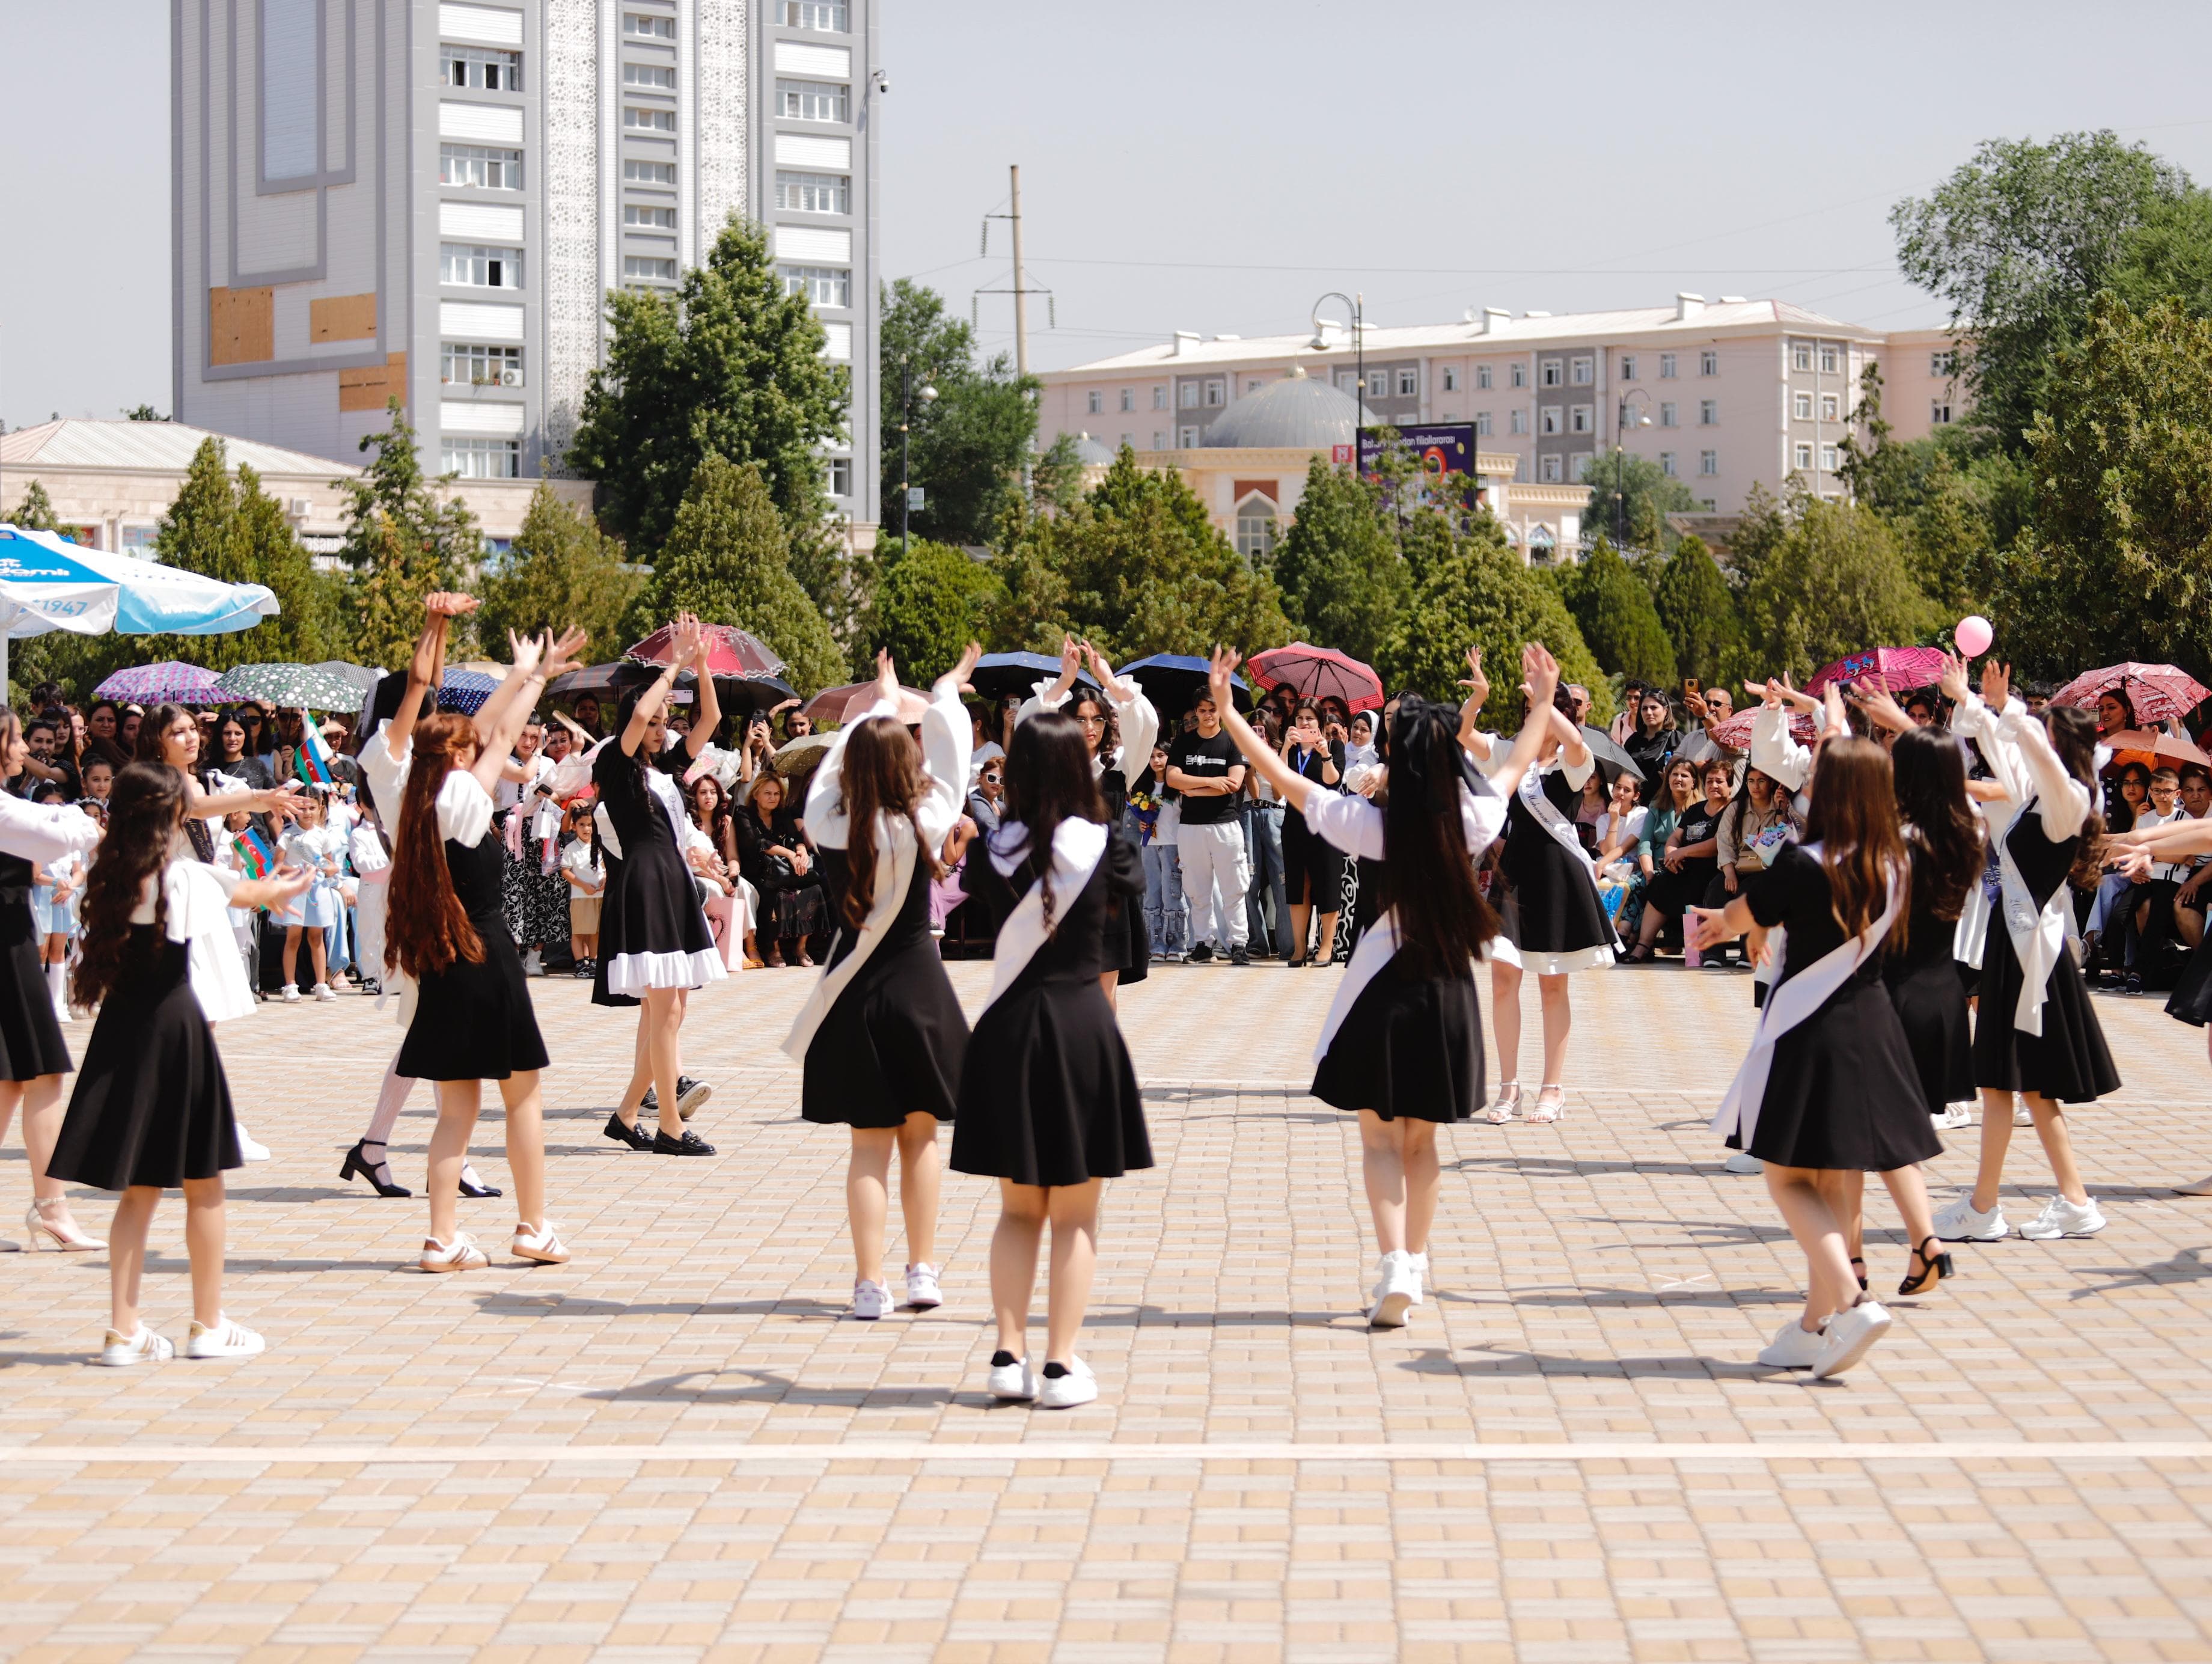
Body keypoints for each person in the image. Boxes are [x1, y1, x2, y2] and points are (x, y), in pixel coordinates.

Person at [1208, 642, 1559, 1324]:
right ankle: (1415, 1265)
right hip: (1448, 991)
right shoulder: (1473, 821)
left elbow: (1279, 775)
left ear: (1395, 757)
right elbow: (1517, 761)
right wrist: (1541, 700)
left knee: (1378, 1141)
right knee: (1422, 1143)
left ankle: (1395, 1261)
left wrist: (1228, 710)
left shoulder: (1368, 824)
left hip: (1380, 992)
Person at [1690, 737, 1944, 1378]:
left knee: (1790, 1179)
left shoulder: (1805, 863)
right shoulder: (1897, 863)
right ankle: (1813, 1326)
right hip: (1875, 1030)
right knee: (1830, 1182)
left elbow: (1742, 913)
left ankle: (1854, 1303)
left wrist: (1720, 924)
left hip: (1811, 1030)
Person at [47, 762, 313, 1363]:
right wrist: (284, 885)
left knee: (139, 1189)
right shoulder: (183, 876)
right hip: (177, 1027)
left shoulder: (107, 873)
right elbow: (248, 893)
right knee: (204, 1181)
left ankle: (123, 1332)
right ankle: (208, 1325)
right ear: (170, 816)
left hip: (123, 1031)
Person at [950, 699, 1153, 1410]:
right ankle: (1060, 1365)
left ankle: (1007, 1357)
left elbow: (977, 877)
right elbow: (1130, 885)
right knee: (1073, 1215)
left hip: (1006, 1031)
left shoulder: (989, 849)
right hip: (1080, 1030)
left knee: (1016, 1211)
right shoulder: (1107, 844)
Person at [784, 646, 980, 1320]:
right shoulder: (928, 816)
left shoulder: (828, 824)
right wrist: (942, 691)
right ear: (907, 762)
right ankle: (922, 1271)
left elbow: (827, 777)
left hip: (854, 997)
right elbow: (952, 755)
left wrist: (877, 706)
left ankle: (869, 1284)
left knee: (867, 1146)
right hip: (919, 988)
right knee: (920, 1138)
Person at [388, 628, 580, 1272]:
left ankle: (441, 1237)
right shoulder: (464, 795)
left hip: (442, 959)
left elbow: (486, 733)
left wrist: (526, 676)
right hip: (485, 952)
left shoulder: (411, 800)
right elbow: (498, 735)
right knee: (522, 1096)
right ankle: (533, 1226)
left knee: (455, 1112)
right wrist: (534, 676)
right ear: (457, 753)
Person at [1935, 655, 2121, 1244]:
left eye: (2045, 732)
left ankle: (1987, 1206)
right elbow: (2007, 751)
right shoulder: (2038, 795)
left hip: (2030, 955)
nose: (2033, 737)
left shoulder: (2069, 799)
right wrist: (1971, 702)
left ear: (2061, 746)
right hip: (2016, 947)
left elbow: (2029, 751)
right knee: (2024, 1087)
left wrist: (2007, 708)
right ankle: (2065, 1202)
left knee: (2009, 1082)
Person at [595, 616, 727, 1154]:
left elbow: (711, 718)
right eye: (652, 723)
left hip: (672, 879)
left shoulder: (666, 767)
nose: (658, 728)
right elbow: (640, 713)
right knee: (665, 1009)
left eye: (662, 722)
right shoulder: (615, 762)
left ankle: (628, 1115)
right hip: (645, 882)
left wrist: (701, 664)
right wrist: (672, 664)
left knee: (671, 1010)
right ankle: (670, 1127)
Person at [1469, 658, 1615, 1122]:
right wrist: (1478, 698)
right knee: (1502, 979)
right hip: (1514, 876)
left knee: (1552, 984)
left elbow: (1575, 741)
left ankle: (1552, 1088)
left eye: (1547, 708)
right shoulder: (1512, 754)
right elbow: (1463, 734)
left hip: (1556, 878)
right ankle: (1509, 1087)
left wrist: (1545, 697)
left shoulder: (1575, 762)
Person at [1021, 638, 1161, 1000]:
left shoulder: (1122, 764)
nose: (1090, 727)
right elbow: (1026, 730)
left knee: (1105, 992)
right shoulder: (1050, 766)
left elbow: (1147, 723)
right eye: (1080, 719)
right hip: (1062, 885)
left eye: (1097, 719)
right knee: (1064, 989)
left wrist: (1110, 683)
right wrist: (1063, 683)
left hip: (1108, 887)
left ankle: (1103, 1041)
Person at [1170, 685, 1250, 965]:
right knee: (1197, 889)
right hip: (1191, 827)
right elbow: (1173, 779)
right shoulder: (1183, 743)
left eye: (1212, 710)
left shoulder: (1232, 742)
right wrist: (1211, 782)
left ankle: (1239, 943)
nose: (1207, 715)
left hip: (1225, 825)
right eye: (1202, 710)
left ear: (1220, 711)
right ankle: (1204, 943)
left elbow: (1234, 783)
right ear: (1196, 712)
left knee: (1233, 888)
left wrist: (1193, 789)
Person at [1621, 759, 1731, 962]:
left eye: (1719, 781)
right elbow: (1675, 837)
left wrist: (1682, 853)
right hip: (1683, 867)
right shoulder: (1696, 810)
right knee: (1659, 883)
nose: (1714, 785)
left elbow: (1717, 844)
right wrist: (1672, 854)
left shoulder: (1731, 810)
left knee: (1687, 886)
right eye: (1710, 781)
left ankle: (1684, 948)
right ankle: (1643, 945)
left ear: (1730, 786)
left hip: (1714, 868)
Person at [1276, 702, 1348, 967]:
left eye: (1310, 718)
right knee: (1298, 887)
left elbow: (1333, 781)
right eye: (1300, 718)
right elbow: (1278, 781)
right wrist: (1285, 747)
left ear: (1320, 722)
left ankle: (1326, 947)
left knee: (1328, 884)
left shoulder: (1334, 745)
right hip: (1295, 822)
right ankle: (1299, 948)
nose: (1304, 723)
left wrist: (1325, 754)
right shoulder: (1291, 748)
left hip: (1325, 822)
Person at [736, 771, 826, 967]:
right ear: (756, 794)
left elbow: (796, 837)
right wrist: (790, 854)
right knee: (775, 895)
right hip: (759, 873)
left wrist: (801, 851)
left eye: (777, 794)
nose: (773, 798)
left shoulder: (782, 814)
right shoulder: (743, 813)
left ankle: (801, 948)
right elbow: (756, 842)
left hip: (785, 872)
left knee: (814, 889)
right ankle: (773, 949)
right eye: (768, 793)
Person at [272, 787, 345, 1002]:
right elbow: (278, 865)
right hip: (296, 890)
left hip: (318, 890)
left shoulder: (323, 835)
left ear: (320, 807)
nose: (307, 813)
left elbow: (330, 864)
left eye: (312, 808)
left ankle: (321, 984)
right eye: (303, 808)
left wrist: (328, 869)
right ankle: (290, 985)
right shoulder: (288, 835)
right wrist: (297, 871)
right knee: (293, 938)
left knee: (317, 937)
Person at [558, 803, 603, 977]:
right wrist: (584, 885)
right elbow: (565, 871)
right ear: (574, 826)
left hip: (599, 895)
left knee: (595, 931)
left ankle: (594, 961)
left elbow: (605, 867)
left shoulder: (599, 845)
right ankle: (580, 964)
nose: (587, 829)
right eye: (582, 825)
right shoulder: (571, 848)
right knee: (579, 932)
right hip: (580, 897)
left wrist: (605, 880)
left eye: (590, 824)